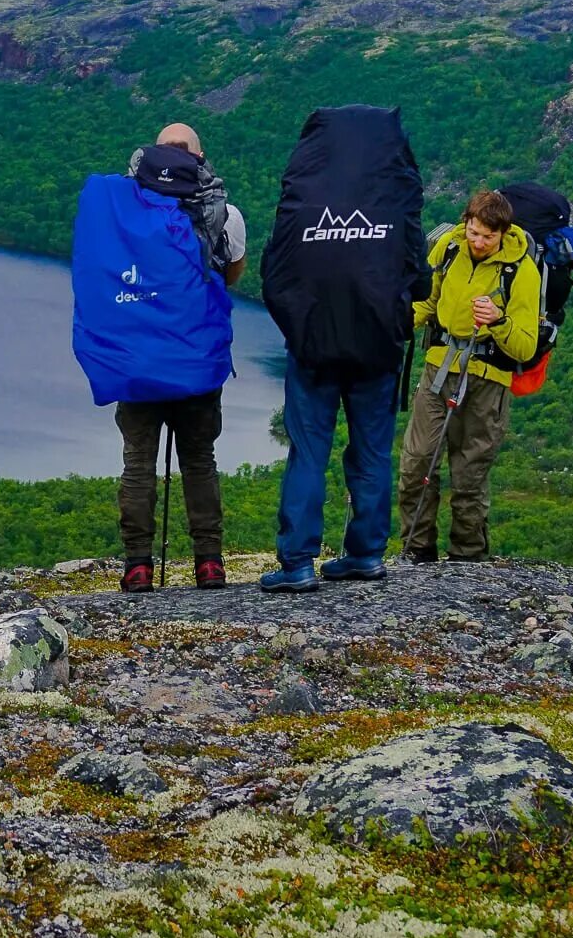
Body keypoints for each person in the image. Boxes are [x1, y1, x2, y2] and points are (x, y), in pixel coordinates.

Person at [257, 104, 426, 593]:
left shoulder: (305, 198)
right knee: (372, 451)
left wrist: (300, 327)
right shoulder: (393, 198)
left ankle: (297, 563)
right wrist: (391, 317)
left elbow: (277, 274)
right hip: (377, 347)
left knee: (308, 452)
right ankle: (366, 554)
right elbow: (417, 276)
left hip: (313, 347)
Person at [110, 123, 247, 593]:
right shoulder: (224, 214)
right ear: (199, 156)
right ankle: (209, 562)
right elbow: (230, 279)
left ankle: (138, 565)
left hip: (140, 361)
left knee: (137, 464)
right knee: (199, 461)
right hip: (195, 362)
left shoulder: (124, 213)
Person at [395, 188, 540, 564]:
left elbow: (525, 346)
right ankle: (416, 551)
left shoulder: (520, 269)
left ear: (503, 232)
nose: (478, 242)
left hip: (487, 380)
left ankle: (467, 559)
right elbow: (428, 299)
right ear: (466, 222)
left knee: (469, 477)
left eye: (488, 237)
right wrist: (391, 328)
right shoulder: (449, 247)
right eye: (474, 232)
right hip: (438, 370)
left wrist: (498, 320)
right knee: (416, 463)